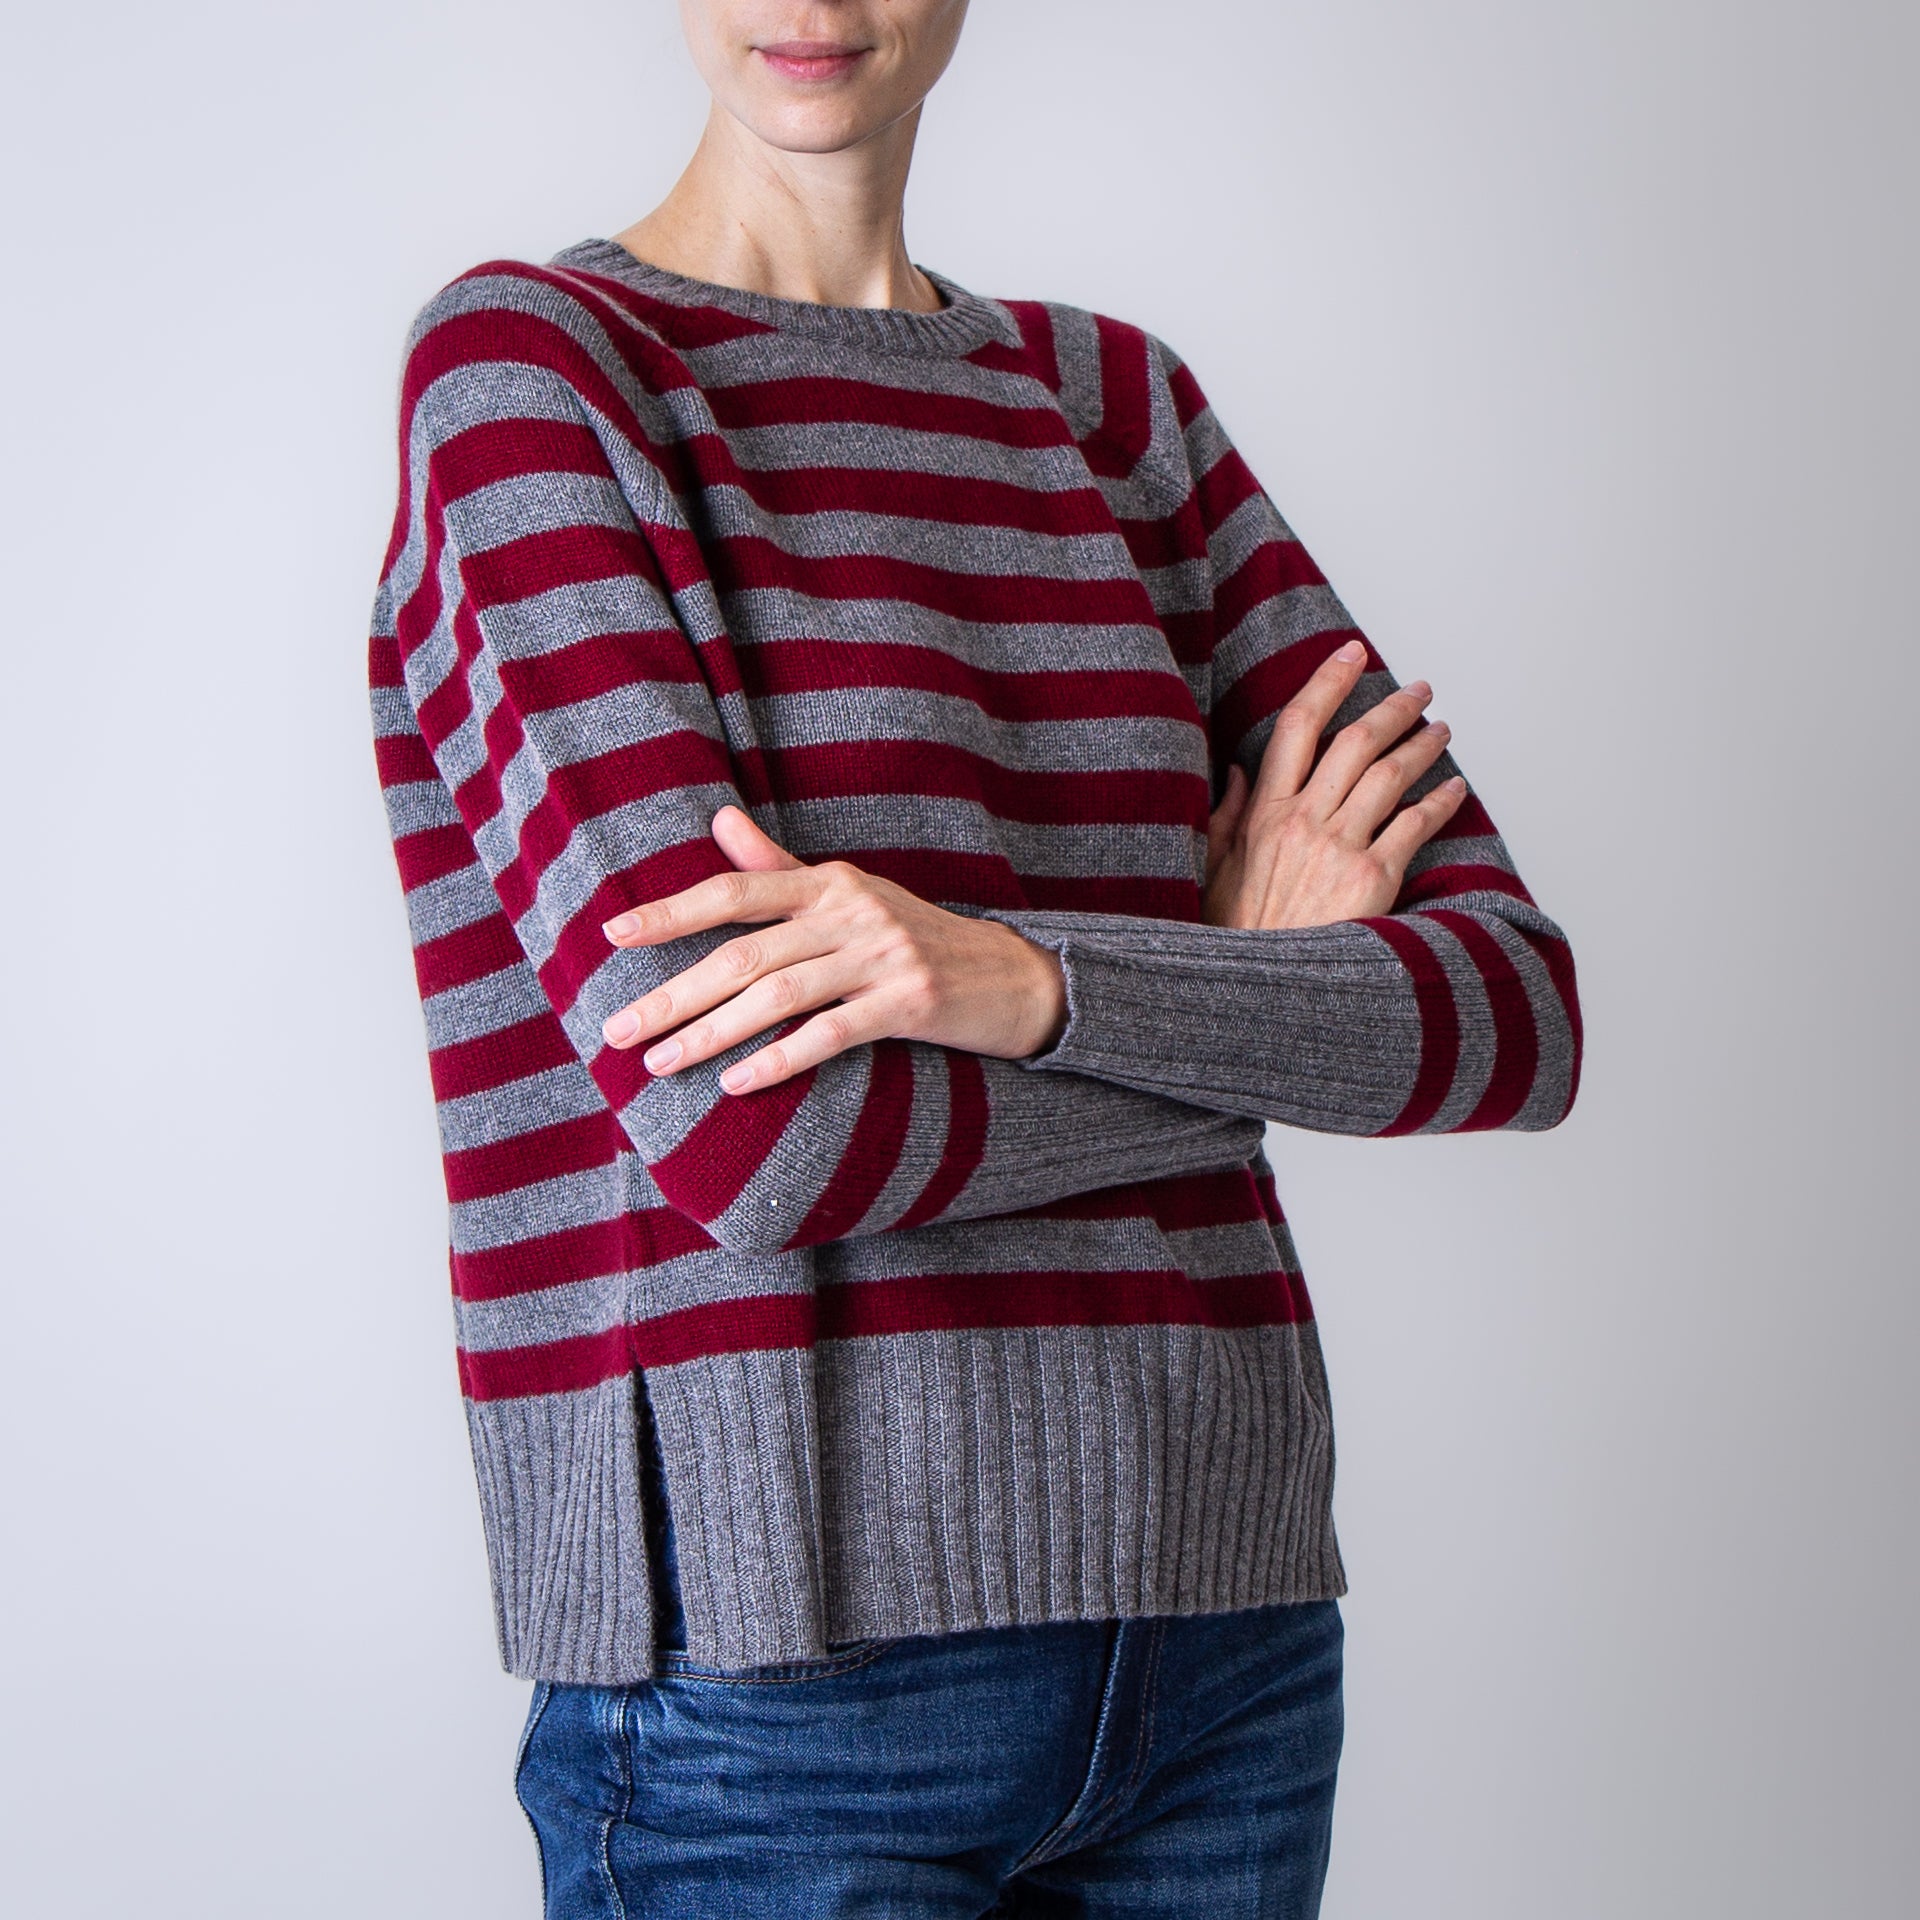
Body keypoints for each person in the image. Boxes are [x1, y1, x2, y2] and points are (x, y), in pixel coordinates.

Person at [369, 3, 1581, 1913]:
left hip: (1230, 1639)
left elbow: (1514, 1016)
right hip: (777, 1680)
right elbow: (762, 1143)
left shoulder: (1120, 408)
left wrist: (1021, 981)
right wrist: (1243, 1001)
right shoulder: (540, 376)